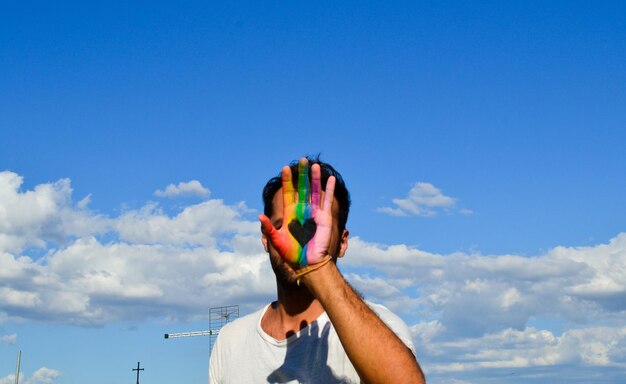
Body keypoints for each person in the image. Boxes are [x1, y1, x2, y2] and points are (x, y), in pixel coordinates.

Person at [209, 156, 425, 384]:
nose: (298, 238)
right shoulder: (230, 340)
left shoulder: (378, 329)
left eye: (313, 226)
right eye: (284, 225)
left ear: (342, 243)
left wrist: (317, 266)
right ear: (265, 238)